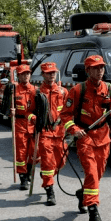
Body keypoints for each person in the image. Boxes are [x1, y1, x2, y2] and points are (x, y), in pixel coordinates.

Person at [61, 55, 111, 221]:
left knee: (97, 174)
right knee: (92, 174)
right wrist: (74, 130)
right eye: (95, 68)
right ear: (88, 71)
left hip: (103, 137)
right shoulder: (78, 90)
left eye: (101, 67)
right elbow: (65, 115)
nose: (99, 71)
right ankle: (93, 212)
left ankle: (83, 194)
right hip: (85, 137)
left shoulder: (110, 89)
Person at [35, 62, 68, 207]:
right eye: (48, 73)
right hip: (45, 133)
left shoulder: (63, 92)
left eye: (53, 72)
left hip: (60, 133)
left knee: (61, 162)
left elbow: (69, 110)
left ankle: (46, 176)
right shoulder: (37, 93)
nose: (51, 75)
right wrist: (34, 119)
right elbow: (30, 111)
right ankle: (49, 191)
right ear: (43, 74)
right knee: (47, 162)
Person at [11, 62, 37, 191]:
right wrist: (11, 112)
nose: (26, 76)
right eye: (23, 74)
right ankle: (23, 178)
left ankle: (29, 172)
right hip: (20, 124)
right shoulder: (13, 90)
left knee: (34, 152)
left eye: (27, 73)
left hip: (33, 125)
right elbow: (5, 109)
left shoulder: (36, 90)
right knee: (21, 153)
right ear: (18, 76)